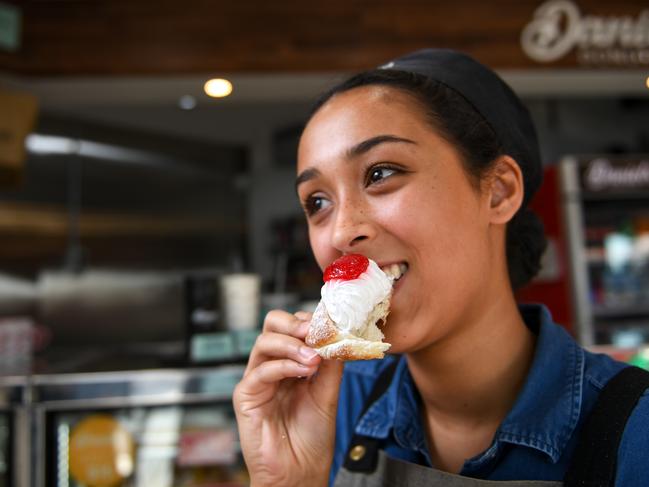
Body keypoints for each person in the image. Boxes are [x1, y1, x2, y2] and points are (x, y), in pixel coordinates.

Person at [233, 49, 649, 487]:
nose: (340, 233)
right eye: (317, 202)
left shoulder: (633, 431)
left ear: (498, 192)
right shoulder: (328, 404)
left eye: (380, 173)